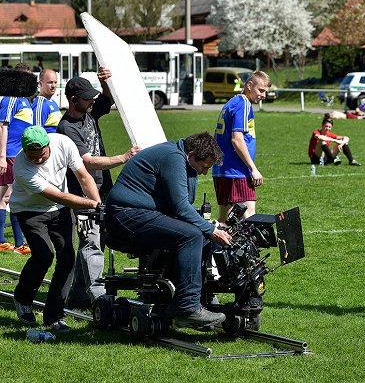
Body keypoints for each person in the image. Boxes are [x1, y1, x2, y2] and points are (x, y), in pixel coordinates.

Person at [104, 132, 231, 329]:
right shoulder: (173, 157)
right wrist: (210, 229)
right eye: (204, 166)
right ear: (191, 155)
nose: (205, 172)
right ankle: (187, 308)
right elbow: (180, 207)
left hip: (141, 212)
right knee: (192, 236)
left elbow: (181, 205)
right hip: (125, 214)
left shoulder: (182, 158)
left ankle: (195, 300)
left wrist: (209, 230)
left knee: (203, 237)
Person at [57, 68, 141, 310]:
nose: (92, 100)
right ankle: (98, 297)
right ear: (74, 100)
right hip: (82, 193)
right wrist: (124, 157)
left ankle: (80, 294)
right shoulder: (67, 128)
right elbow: (87, 161)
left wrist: (105, 83)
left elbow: (107, 100)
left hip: (103, 188)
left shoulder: (89, 113)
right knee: (90, 240)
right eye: (86, 97)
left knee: (100, 238)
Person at [11, 126, 101, 331]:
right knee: (44, 255)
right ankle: (22, 298)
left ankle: (54, 316)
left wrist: (98, 204)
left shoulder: (63, 143)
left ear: (48, 145)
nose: (38, 161)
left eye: (41, 156)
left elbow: (84, 176)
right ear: (25, 151)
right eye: (32, 157)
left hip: (60, 210)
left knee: (67, 257)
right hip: (29, 210)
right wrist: (90, 204)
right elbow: (56, 195)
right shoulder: (21, 166)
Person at [212, 70, 271, 222]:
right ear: (249, 85)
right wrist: (253, 168)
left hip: (221, 170)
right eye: (261, 90)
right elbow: (237, 139)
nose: (263, 95)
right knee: (249, 218)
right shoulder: (244, 104)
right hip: (236, 170)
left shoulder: (231, 102)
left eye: (266, 92)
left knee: (223, 221)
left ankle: (217, 246)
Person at [0, 64, 35, 255]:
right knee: (10, 197)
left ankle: (11, 242)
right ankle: (18, 243)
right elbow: (2, 127)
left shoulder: (25, 101)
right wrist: (2, 157)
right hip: (11, 155)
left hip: (19, 154)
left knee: (9, 197)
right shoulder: (10, 100)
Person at [32, 69, 62, 133]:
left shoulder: (52, 102)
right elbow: (37, 134)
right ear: (40, 84)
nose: (53, 86)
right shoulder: (40, 104)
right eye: (50, 82)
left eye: (55, 82)